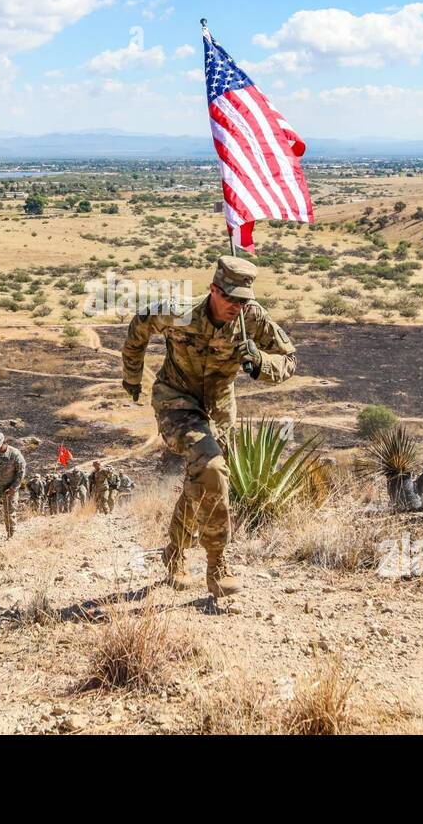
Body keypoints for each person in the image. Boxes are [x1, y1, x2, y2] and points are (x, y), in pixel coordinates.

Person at [121, 255, 296, 597]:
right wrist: (132, 377)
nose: (236, 306)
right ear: (213, 289)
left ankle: (174, 552)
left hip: (218, 412)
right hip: (176, 401)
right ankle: (218, 563)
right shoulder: (179, 312)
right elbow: (138, 328)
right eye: (229, 297)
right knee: (212, 467)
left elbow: (289, 360)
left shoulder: (252, 319)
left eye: (243, 299)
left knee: (202, 482)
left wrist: (261, 363)